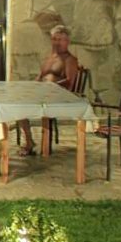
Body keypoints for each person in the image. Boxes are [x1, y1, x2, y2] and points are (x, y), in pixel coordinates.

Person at [19, 24, 80, 155]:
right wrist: (33, 85)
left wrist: (50, 87)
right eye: (54, 39)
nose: (57, 43)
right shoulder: (50, 58)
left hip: (59, 97)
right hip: (43, 94)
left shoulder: (70, 60)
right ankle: (29, 141)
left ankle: (42, 146)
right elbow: (41, 75)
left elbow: (69, 81)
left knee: (27, 105)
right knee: (19, 105)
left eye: (60, 40)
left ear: (67, 42)